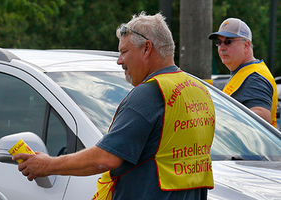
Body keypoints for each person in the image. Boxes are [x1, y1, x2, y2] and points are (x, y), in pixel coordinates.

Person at [13, 12, 215, 200]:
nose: (119, 61)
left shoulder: (149, 93)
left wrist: (48, 165)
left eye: (124, 51)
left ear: (146, 48)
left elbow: (105, 158)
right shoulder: (199, 90)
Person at [208, 18, 278, 127]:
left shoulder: (254, 77)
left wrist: (224, 120)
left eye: (228, 42)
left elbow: (263, 116)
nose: (222, 48)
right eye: (219, 42)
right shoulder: (246, 71)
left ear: (246, 46)